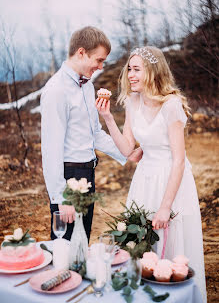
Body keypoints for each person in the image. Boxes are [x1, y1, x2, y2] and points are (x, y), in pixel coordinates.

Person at [96, 46, 207, 302]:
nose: (130, 75)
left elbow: (179, 160)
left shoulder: (171, 105)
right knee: (143, 245)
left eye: (137, 70)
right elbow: (126, 149)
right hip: (144, 180)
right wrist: (108, 118)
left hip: (171, 182)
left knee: (172, 246)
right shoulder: (133, 102)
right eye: (129, 70)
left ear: (153, 71)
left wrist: (165, 207)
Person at [40, 26, 127, 243]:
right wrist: (61, 197)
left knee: (81, 243)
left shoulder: (87, 86)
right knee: (65, 245)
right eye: (98, 60)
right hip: (68, 179)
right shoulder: (56, 90)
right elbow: (51, 149)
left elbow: (94, 134)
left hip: (87, 175)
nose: (101, 66)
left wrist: (128, 153)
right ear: (81, 52)